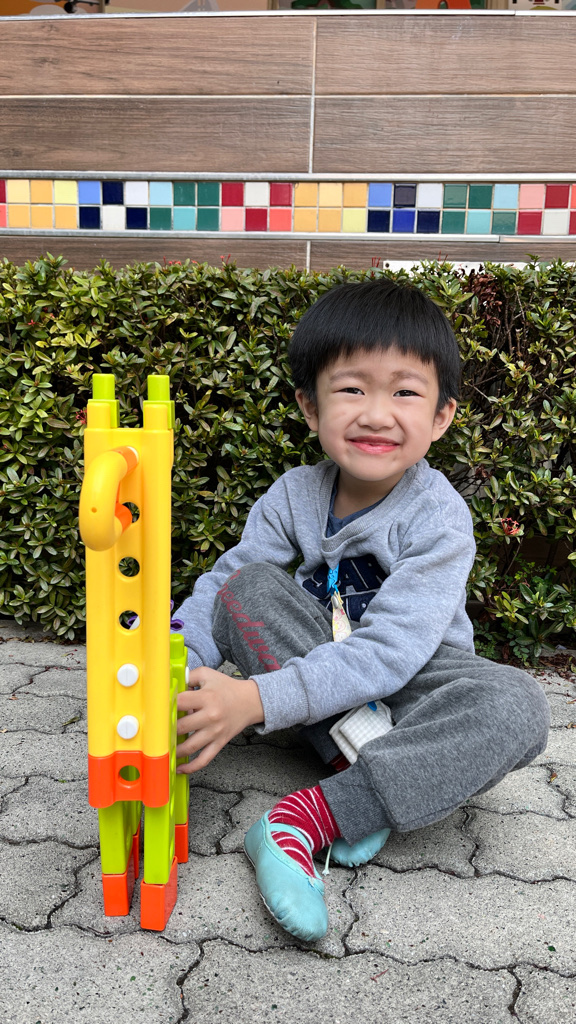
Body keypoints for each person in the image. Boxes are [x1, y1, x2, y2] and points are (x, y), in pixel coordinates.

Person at [173, 279, 550, 942]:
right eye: (351, 389)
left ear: (441, 417)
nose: (376, 414)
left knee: (518, 705)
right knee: (248, 586)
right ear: (310, 406)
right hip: (320, 681)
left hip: (416, 683)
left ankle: (304, 819)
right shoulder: (294, 495)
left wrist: (253, 700)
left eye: (405, 393)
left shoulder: (438, 516)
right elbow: (228, 583)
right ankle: (374, 776)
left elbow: (391, 653)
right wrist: (173, 660)